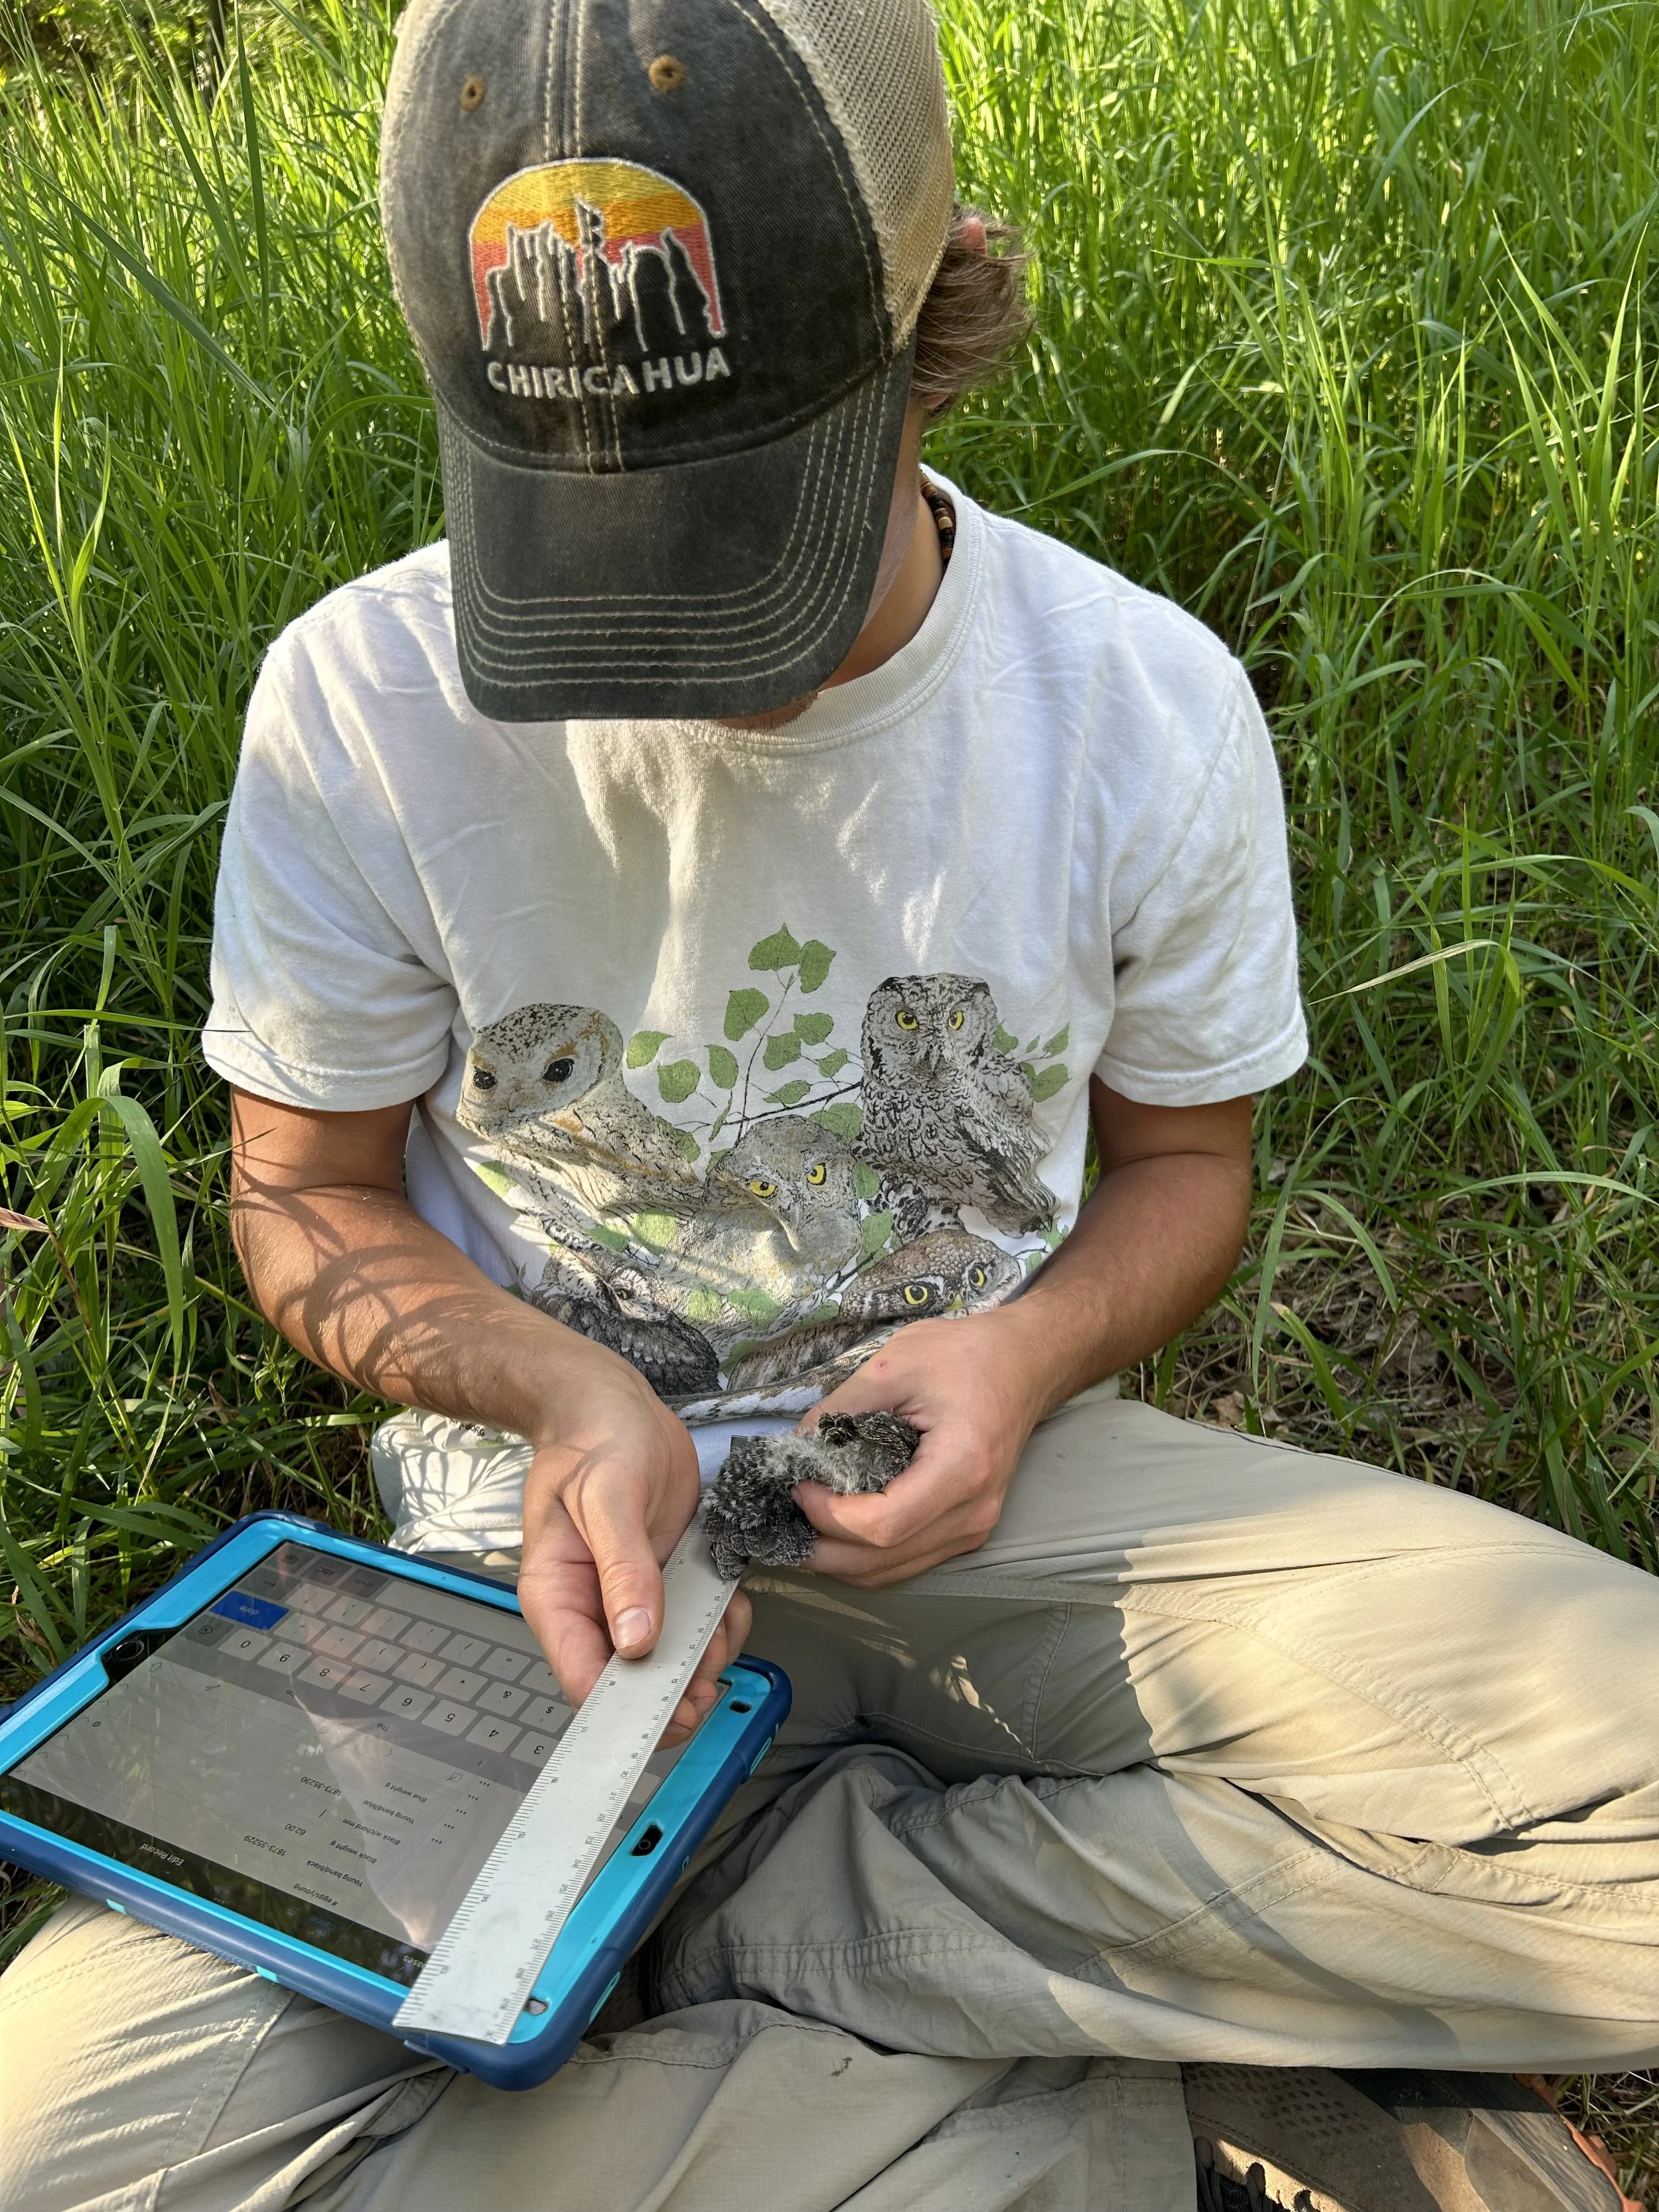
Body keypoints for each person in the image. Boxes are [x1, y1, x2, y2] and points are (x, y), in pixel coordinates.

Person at [1, 1, 1654, 2207]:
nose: (683, 647)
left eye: (744, 521)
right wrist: (565, 1391)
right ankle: (1059, 2098)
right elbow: (301, 1195)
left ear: (936, 304)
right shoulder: (361, 695)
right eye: (591, 539)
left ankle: (752, 1926)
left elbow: (1181, 1166)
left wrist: (1025, 1351)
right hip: (536, 1577)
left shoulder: (1135, 701)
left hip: (999, 1502)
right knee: (46, 2154)